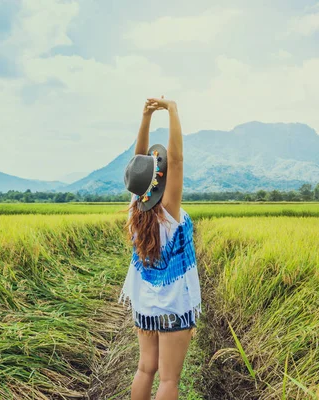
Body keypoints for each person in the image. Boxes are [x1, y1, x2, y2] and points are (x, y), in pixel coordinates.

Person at [118, 96, 202, 400]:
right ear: (158, 181)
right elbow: (177, 161)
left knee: (145, 369)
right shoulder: (168, 211)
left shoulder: (135, 209)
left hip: (145, 304)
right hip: (174, 304)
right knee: (169, 380)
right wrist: (172, 109)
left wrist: (145, 117)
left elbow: (137, 162)